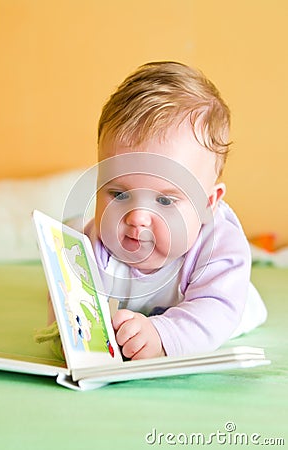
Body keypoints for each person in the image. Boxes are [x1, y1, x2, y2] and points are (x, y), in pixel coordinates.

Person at [49, 61, 267, 360]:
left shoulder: (219, 245)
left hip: (222, 305)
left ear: (207, 204)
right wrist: (72, 333)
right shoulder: (95, 243)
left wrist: (162, 335)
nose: (137, 218)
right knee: (72, 245)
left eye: (165, 201)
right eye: (119, 193)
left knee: (227, 310)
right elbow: (69, 300)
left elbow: (214, 312)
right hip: (134, 307)